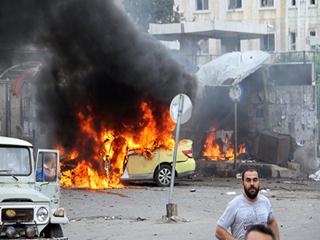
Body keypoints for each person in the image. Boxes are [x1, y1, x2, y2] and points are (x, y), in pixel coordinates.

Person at [215, 167, 280, 240]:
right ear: (243, 183)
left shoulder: (265, 202)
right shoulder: (235, 204)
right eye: (248, 180)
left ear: (259, 182)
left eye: (255, 180)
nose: (252, 184)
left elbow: (272, 222)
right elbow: (219, 231)